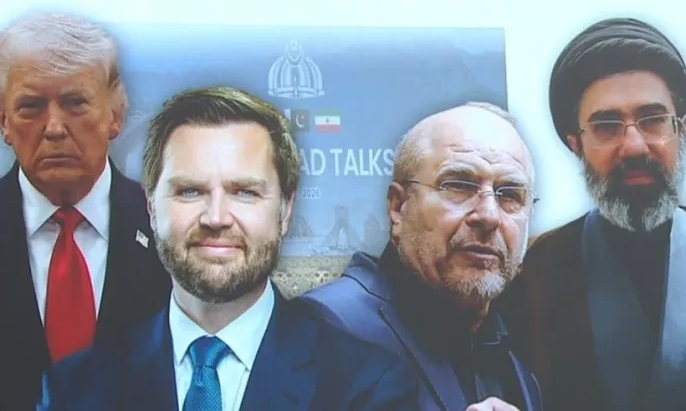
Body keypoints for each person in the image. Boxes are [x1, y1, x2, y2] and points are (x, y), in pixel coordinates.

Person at [37, 86, 419, 410]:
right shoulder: (75, 390)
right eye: (190, 191)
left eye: (245, 192)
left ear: (285, 211)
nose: (216, 217)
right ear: (151, 207)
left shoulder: (368, 386)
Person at [301, 102, 543, 411]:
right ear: (398, 207)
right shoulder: (322, 331)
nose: (489, 216)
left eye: (509, 195)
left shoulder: (519, 366)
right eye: (459, 186)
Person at [497, 17, 686, 411]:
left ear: (680, 130)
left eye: (653, 120)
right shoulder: (532, 275)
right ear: (576, 145)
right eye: (607, 126)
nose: (634, 146)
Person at [0, 12, 171, 410]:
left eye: (75, 103)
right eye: (31, 106)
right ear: (3, 120)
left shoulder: (171, 230)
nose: (54, 127)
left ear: (116, 115)